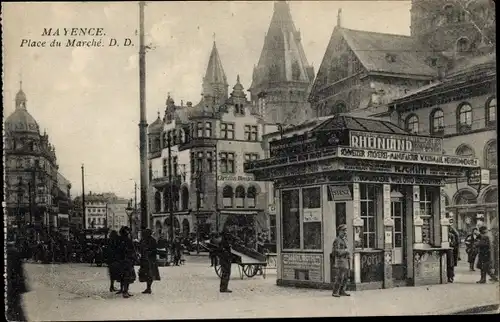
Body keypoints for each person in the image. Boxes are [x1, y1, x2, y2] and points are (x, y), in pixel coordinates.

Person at [7, 239, 28, 321]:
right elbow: (20, 271)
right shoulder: (14, 252)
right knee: (16, 308)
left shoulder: (12, 252)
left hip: (11, 286)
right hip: (14, 285)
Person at [138, 229, 161, 294]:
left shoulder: (153, 240)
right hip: (144, 259)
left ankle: (149, 288)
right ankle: (148, 288)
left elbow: (155, 250)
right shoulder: (142, 240)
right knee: (145, 274)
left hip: (150, 260)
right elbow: (139, 248)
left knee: (150, 274)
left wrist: (148, 252)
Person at [116, 226, 137, 298]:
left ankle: (123, 290)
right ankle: (125, 291)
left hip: (122, 260)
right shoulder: (128, 240)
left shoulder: (119, 240)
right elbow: (133, 250)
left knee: (122, 276)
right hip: (127, 261)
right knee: (127, 276)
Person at [331, 224, 351, 297]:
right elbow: (335, 251)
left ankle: (342, 290)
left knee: (346, 277)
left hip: (346, 260)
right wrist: (345, 251)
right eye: (343, 230)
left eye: (346, 230)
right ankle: (335, 292)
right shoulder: (337, 240)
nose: (345, 232)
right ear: (339, 231)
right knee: (340, 277)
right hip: (340, 261)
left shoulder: (345, 239)